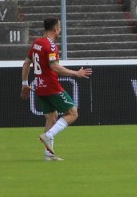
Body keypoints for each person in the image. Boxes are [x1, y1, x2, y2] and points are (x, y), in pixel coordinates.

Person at [21, 17, 92, 161]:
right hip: (51, 86)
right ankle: (48, 136)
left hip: (39, 86)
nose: (60, 30)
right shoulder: (51, 46)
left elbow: (26, 63)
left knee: (51, 118)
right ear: (55, 29)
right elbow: (55, 67)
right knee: (73, 113)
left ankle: (49, 154)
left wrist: (24, 83)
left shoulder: (37, 43)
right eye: (59, 27)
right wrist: (75, 73)